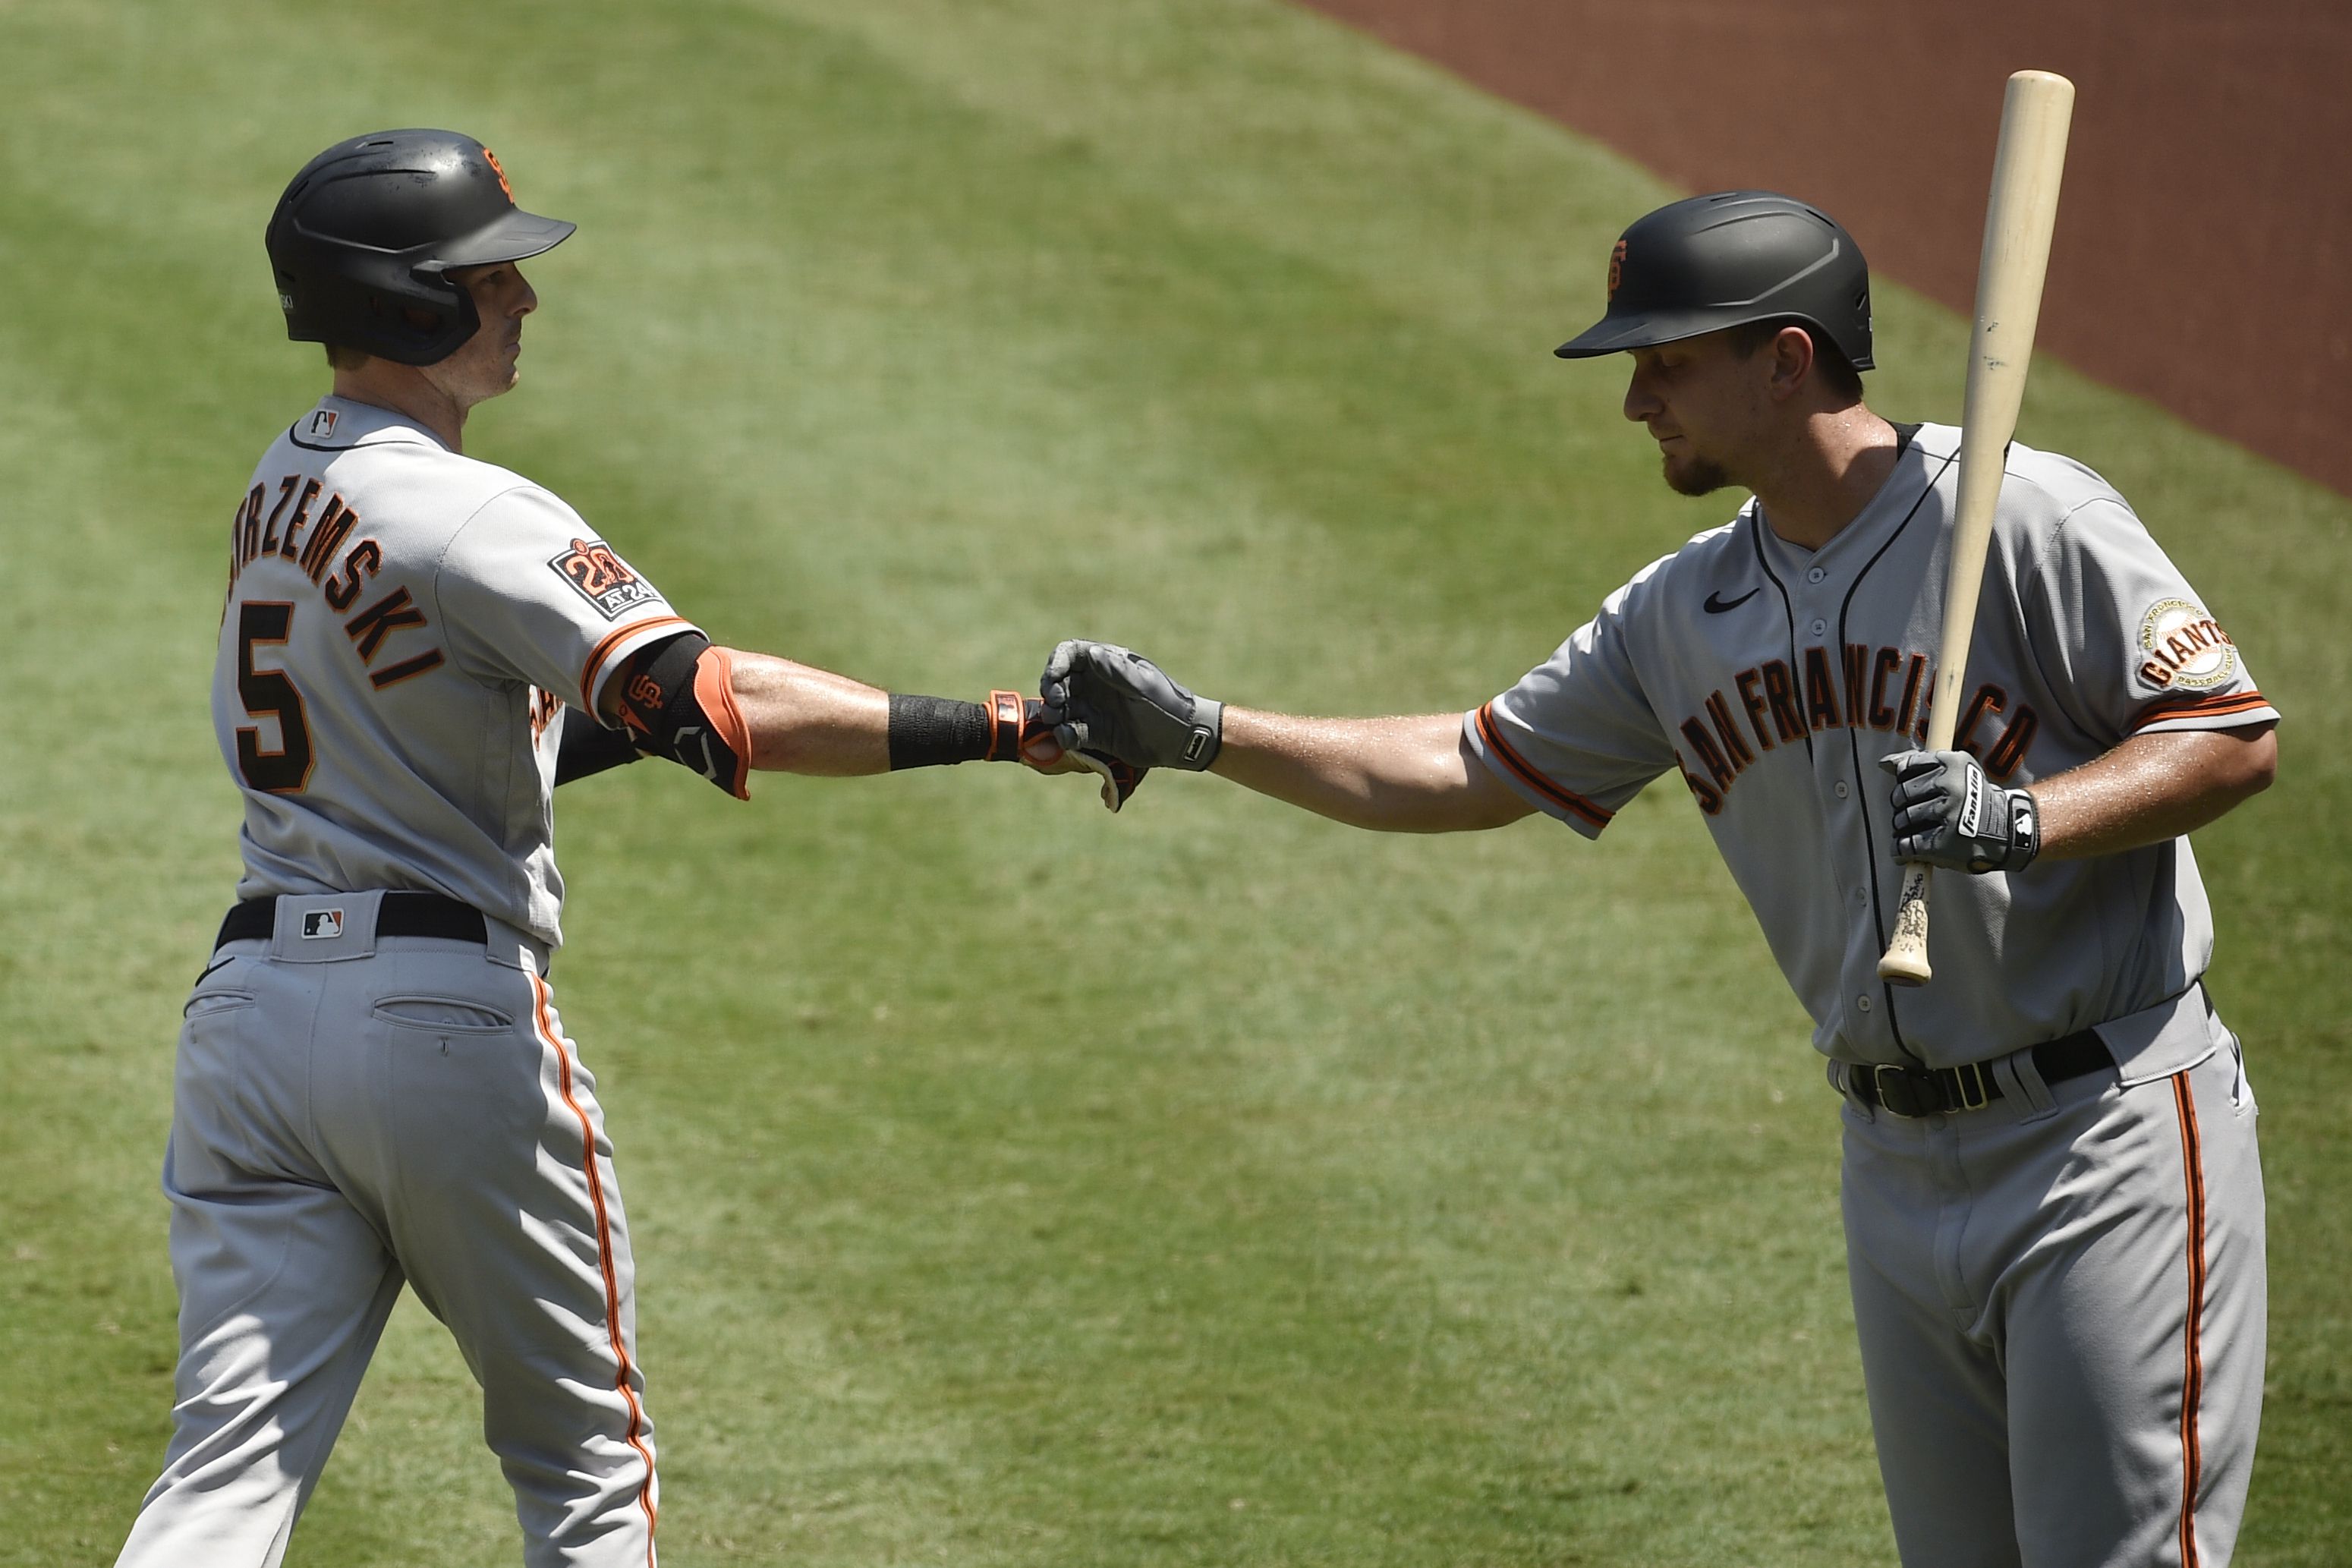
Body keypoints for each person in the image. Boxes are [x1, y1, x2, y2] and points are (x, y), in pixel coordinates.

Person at [1040, 190, 2277, 1568]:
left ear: (1786, 361)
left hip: (2099, 1138)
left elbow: (2229, 737)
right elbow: (1470, 762)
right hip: (1891, 1161)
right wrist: (1210, 734)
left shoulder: (2028, 517)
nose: (1637, 401)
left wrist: (2023, 819)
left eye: (1665, 361)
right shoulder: (1683, 612)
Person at [117, 128, 1132, 1568]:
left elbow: (477, 730)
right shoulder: (470, 508)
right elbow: (709, 703)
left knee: (221, 1484)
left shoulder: (278, 485)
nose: (522, 302)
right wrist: (996, 722)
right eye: (488, 278)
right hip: (436, 1022)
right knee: (587, 1469)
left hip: (252, 1030)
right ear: (410, 301)